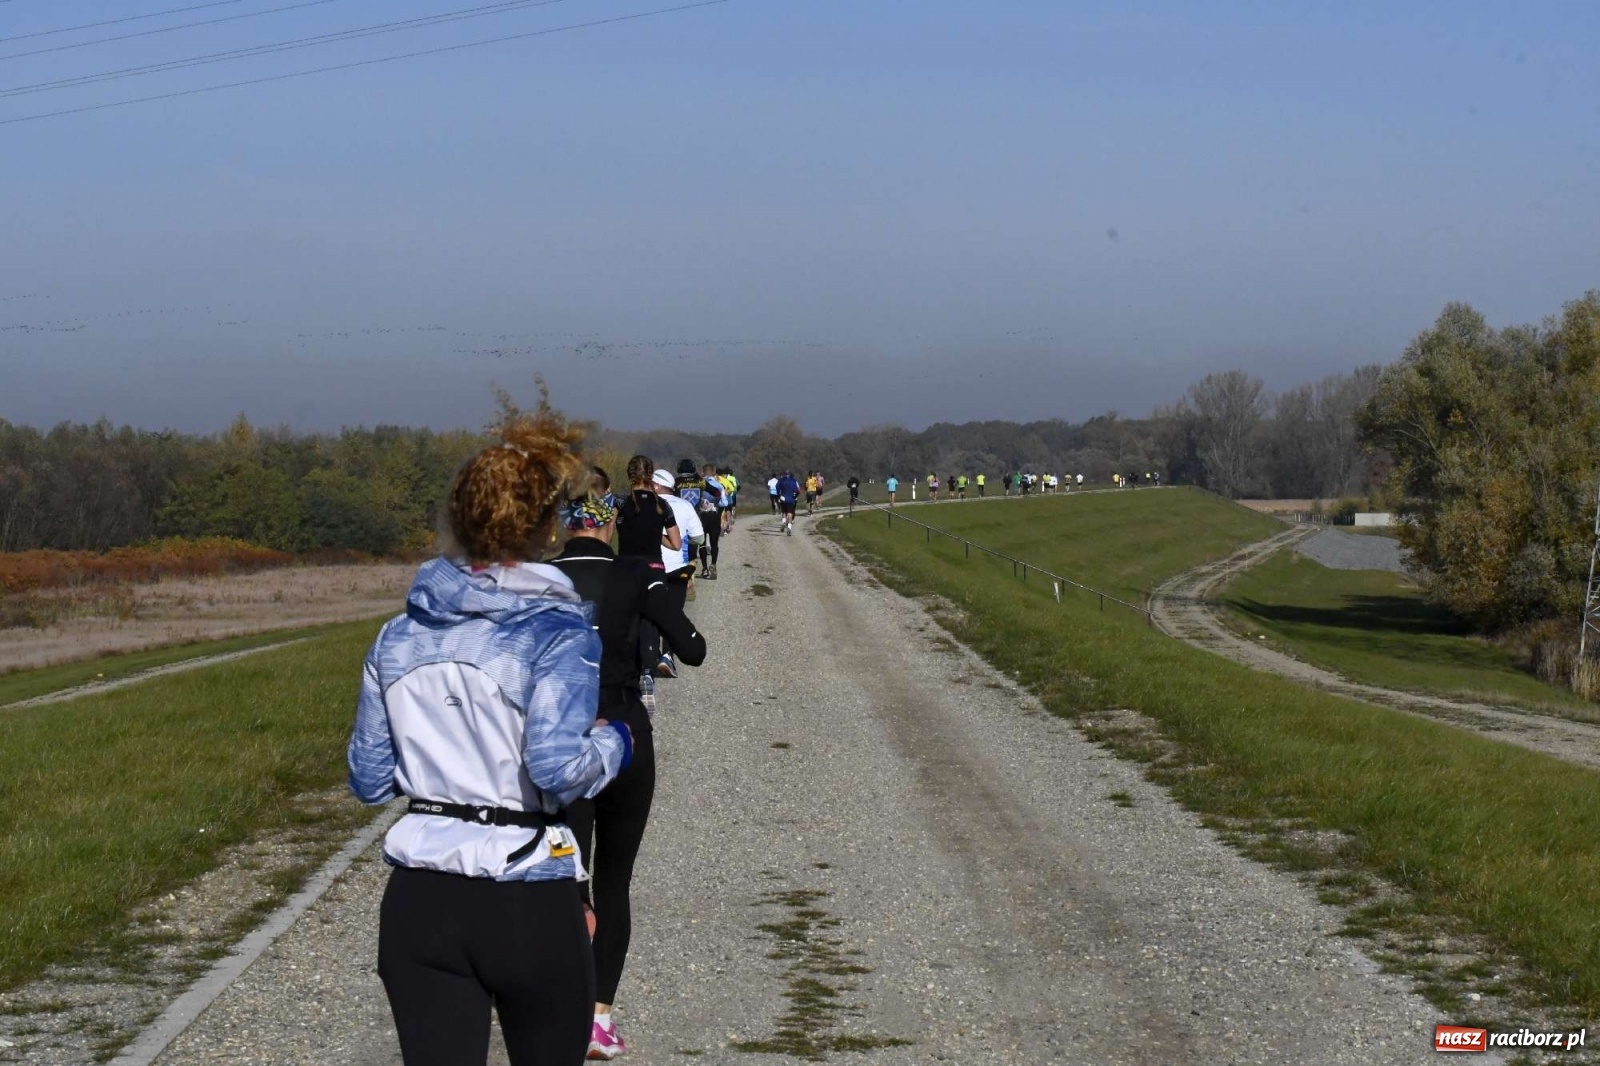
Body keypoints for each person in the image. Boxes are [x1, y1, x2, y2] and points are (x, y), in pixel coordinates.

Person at [349, 404, 631, 1066]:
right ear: (548, 528)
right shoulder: (557, 632)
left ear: (459, 520)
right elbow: (557, 769)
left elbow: (368, 779)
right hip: (525, 892)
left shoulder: (399, 635)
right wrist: (617, 741)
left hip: (421, 899)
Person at [550, 494, 706, 1061]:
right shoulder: (636, 575)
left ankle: (553, 1011)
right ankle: (598, 1020)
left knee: (562, 880)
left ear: (563, 526)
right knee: (614, 883)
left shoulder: (537, 581)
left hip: (557, 737)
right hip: (624, 732)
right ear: (611, 522)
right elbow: (692, 649)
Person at [652, 469, 703, 677]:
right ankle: (667, 655)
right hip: (676, 566)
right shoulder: (685, 505)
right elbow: (699, 538)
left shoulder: (643, 504)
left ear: (656, 486)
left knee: (649, 611)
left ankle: (648, 658)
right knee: (673, 612)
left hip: (649, 566)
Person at [616, 455, 680, 564]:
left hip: (627, 566)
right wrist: (655, 533)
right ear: (651, 475)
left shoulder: (619, 502)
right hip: (654, 567)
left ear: (629, 474)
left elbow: (606, 536)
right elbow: (676, 545)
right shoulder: (662, 504)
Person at [776, 470, 801, 534]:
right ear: (790, 474)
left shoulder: (781, 480)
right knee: (790, 513)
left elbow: (777, 487)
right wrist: (795, 496)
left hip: (783, 498)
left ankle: (784, 522)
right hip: (790, 499)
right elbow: (797, 490)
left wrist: (778, 494)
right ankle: (789, 527)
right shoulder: (793, 481)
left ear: (784, 474)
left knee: (783, 512)